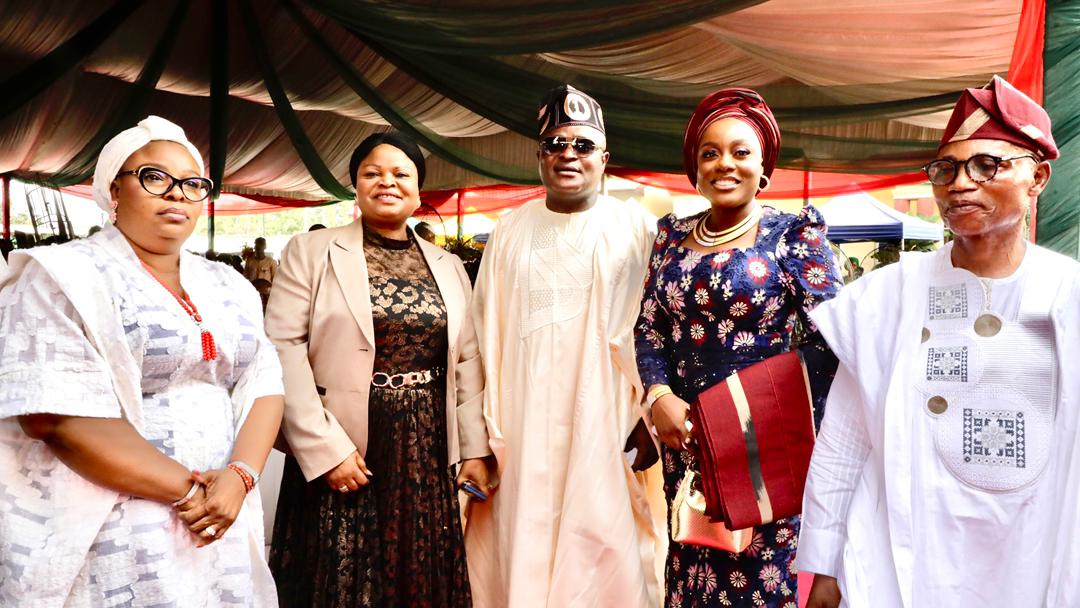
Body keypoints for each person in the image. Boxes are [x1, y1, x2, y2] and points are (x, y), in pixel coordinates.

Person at [800, 76, 1080, 608]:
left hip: (1034, 554)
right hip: (905, 558)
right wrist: (825, 563)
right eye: (946, 169)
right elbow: (844, 441)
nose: (960, 184)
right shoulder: (886, 298)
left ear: (1038, 177)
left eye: (986, 165)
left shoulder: (1069, 294)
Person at [0, 116, 284, 605]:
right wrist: (191, 493)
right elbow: (53, 415)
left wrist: (239, 478)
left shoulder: (229, 284)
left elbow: (264, 382)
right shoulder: (65, 275)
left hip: (221, 518)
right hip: (118, 514)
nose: (176, 193)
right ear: (113, 190)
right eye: (155, 177)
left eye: (192, 184)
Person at [265, 131, 493, 607]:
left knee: (415, 569)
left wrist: (474, 449)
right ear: (355, 184)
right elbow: (282, 348)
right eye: (372, 173)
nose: (386, 182)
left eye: (400, 173)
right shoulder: (312, 251)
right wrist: (324, 449)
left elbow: (468, 360)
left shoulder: (448, 264)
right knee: (343, 574)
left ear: (418, 187)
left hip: (425, 447)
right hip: (344, 440)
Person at [634, 88, 842, 608]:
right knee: (691, 568)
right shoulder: (670, 238)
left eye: (740, 151)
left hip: (761, 450)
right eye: (710, 153)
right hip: (686, 445)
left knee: (758, 582)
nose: (724, 163)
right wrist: (658, 395)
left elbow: (833, 342)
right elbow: (649, 328)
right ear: (695, 169)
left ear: (764, 167)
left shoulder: (793, 237)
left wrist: (745, 417)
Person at [465, 85, 660, 607]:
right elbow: (482, 333)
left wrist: (646, 416)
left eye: (582, 145)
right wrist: (478, 436)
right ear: (539, 156)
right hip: (521, 421)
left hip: (606, 416)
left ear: (605, 159)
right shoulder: (509, 230)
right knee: (521, 540)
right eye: (555, 144)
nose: (568, 154)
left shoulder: (637, 227)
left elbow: (654, 329)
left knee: (603, 539)